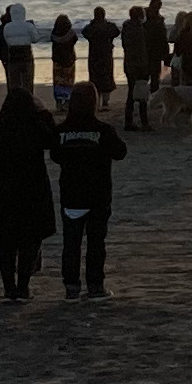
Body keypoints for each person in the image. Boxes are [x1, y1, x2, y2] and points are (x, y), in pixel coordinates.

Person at [50, 88, 128, 297]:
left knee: (71, 242)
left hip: (72, 194)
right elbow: (120, 152)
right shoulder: (103, 130)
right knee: (96, 242)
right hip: (98, 195)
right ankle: (95, 285)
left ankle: (71, 285)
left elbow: (55, 155)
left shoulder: (61, 131)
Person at [0, 78, 59, 299]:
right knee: (30, 238)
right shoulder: (34, 125)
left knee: (6, 241)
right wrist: (44, 112)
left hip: (6, 189)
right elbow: (53, 140)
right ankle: (23, 285)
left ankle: (9, 286)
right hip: (32, 187)